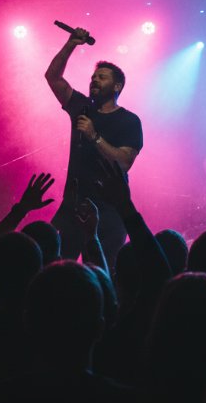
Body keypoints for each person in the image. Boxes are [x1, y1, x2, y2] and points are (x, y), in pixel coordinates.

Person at [45, 27, 143, 263]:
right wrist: (71, 44)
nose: (94, 81)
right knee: (58, 270)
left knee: (101, 273)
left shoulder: (129, 120)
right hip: (73, 208)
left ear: (117, 86)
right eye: (93, 77)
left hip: (109, 212)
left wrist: (94, 136)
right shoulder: (81, 106)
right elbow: (53, 78)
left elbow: (124, 162)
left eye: (102, 77)